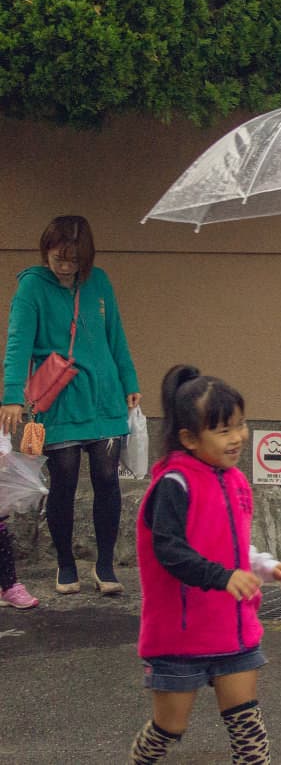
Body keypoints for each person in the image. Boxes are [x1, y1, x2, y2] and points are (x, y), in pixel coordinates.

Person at [129, 365, 281, 764]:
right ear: (189, 438)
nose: (238, 437)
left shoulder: (234, 479)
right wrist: (222, 577)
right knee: (168, 729)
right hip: (179, 636)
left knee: (249, 730)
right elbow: (170, 552)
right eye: (223, 430)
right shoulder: (173, 485)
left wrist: (263, 567)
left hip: (233, 630)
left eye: (240, 425)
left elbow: (235, 546)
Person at [1, 215, 141, 596]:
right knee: (63, 480)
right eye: (59, 258)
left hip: (105, 397)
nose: (65, 267)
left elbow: (116, 336)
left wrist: (130, 381)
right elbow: (18, 343)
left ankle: (105, 564)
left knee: (108, 480)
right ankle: (65, 563)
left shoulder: (99, 282)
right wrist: (12, 396)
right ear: (46, 250)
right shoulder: (32, 287)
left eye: (73, 260)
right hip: (59, 401)